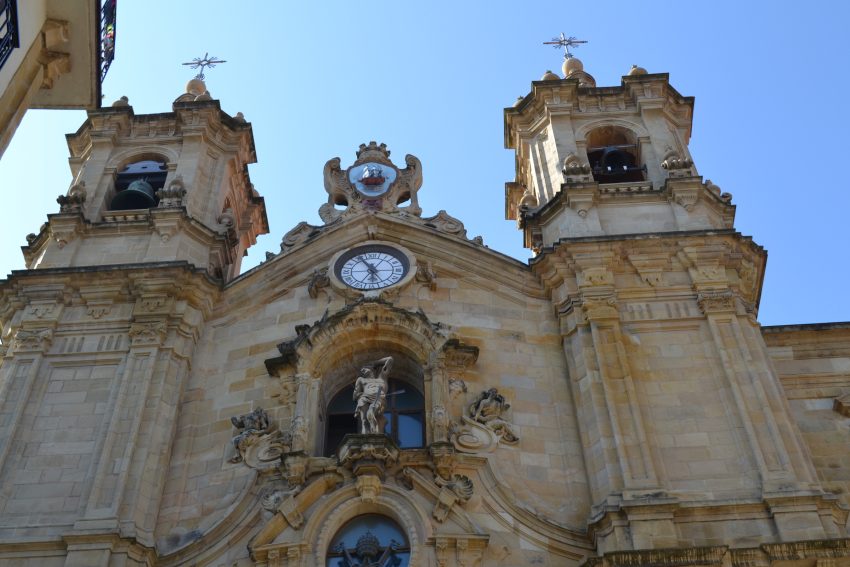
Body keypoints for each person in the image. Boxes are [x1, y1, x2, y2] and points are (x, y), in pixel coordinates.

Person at [353, 356, 393, 434]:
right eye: (362, 370)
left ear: (371, 369)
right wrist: (359, 394)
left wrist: (375, 363)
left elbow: (390, 359)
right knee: (364, 420)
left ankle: (374, 427)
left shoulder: (381, 378)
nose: (362, 370)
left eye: (365, 368)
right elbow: (355, 395)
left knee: (371, 411)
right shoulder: (361, 380)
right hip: (364, 398)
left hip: (378, 398)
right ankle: (366, 434)